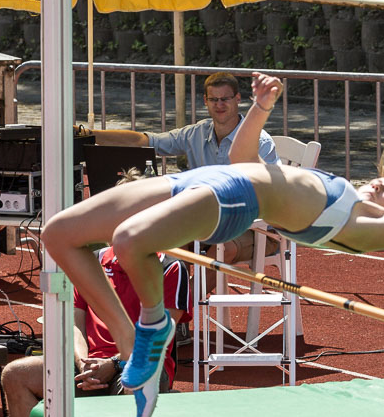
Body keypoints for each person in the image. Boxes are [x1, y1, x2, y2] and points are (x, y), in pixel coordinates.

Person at [43, 72, 384, 417]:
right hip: (211, 178)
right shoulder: (339, 191)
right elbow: (243, 154)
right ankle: (129, 343)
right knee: (59, 234)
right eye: (381, 181)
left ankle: (153, 333)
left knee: (128, 240)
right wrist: (262, 105)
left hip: (236, 198)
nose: (383, 186)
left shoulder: (374, 229)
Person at [0, 243, 191, 417]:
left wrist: (114, 363)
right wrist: (84, 363)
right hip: (89, 363)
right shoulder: (94, 262)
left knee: (135, 385)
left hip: (142, 365)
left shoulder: (170, 265)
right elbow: (75, 323)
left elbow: (160, 334)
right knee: (16, 374)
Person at [77, 71, 280, 272]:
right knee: (168, 235)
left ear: (237, 99)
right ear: (205, 101)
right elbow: (145, 141)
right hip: (208, 223)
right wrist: (91, 134)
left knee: (223, 248)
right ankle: (176, 298)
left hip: (255, 228)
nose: (219, 105)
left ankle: (185, 301)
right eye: (213, 99)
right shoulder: (197, 133)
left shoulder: (260, 142)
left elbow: (271, 196)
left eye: (225, 99)